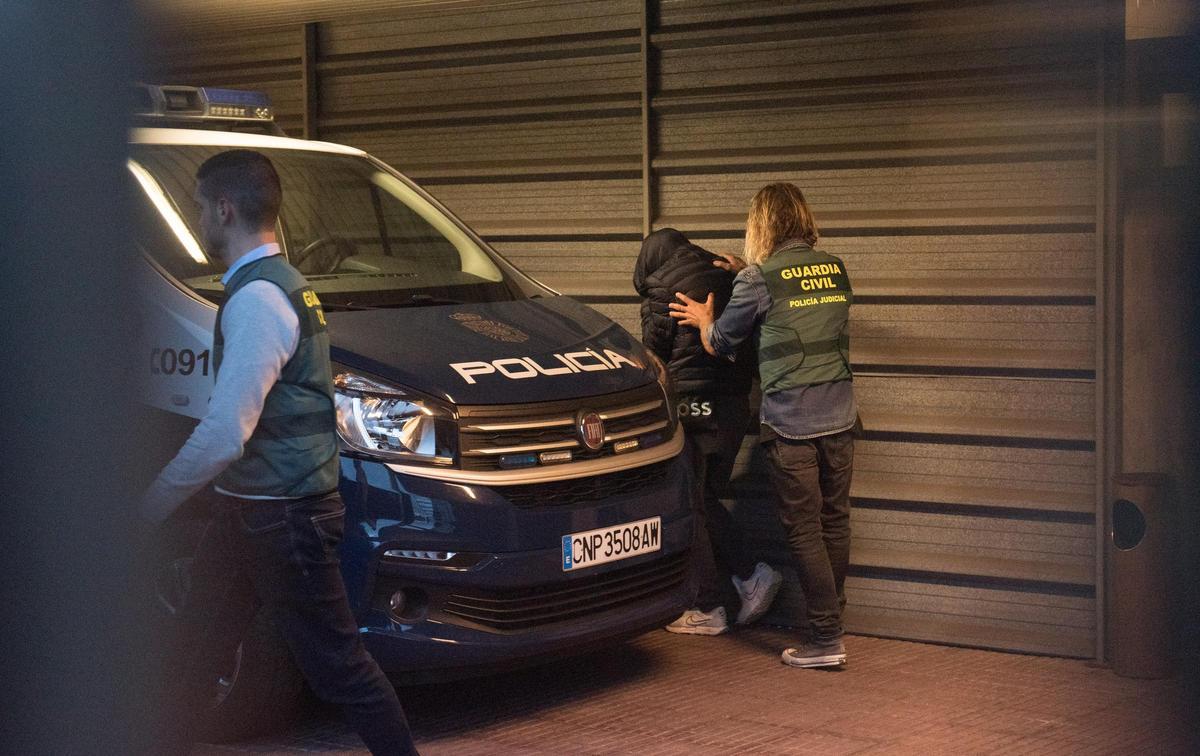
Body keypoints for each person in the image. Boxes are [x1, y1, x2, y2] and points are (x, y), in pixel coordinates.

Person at [140, 150, 419, 754]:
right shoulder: (282, 287)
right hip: (250, 509)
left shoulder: (258, 301)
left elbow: (224, 434)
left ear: (224, 208)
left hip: (282, 518)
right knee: (193, 652)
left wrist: (152, 502)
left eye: (198, 209)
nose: (198, 222)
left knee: (339, 667)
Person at [669, 183, 856, 668]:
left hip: (793, 423)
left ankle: (824, 639)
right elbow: (794, 295)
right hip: (840, 415)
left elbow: (724, 343)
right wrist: (748, 275)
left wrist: (707, 319)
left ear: (763, 223)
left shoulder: (760, 280)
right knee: (834, 522)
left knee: (804, 530)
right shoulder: (834, 269)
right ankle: (832, 624)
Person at [634, 228, 783, 636]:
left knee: (691, 502)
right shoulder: (733, 275)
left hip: (692, 408)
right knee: (704, 498)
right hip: (734, 407)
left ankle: (709, 605)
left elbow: (654, 356)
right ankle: (751, 577)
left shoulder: (661, 287)